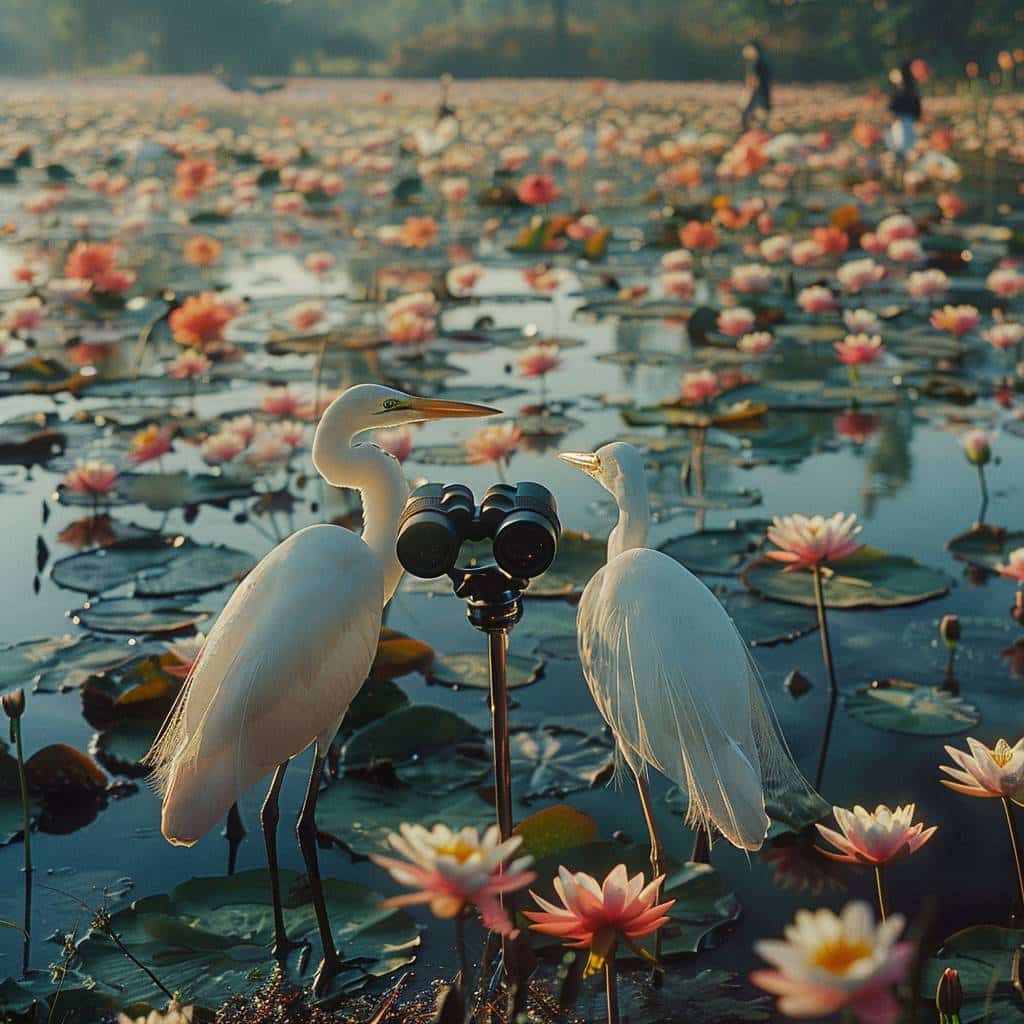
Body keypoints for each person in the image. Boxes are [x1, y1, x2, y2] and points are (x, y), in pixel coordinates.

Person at [887, 61, 922, 159]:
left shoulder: (905, 91)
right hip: (904, 120)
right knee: (904, 144)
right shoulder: (904, 90)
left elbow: (894, 107)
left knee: (904, 144)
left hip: (904, 120)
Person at [741, 41, 772, 130]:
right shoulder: (764, 63)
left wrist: (745, 98)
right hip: (765, 97)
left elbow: (752, 84)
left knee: (753, 122)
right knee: (762, 125)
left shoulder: (754, 65)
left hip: (758, 98)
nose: (744, 51)